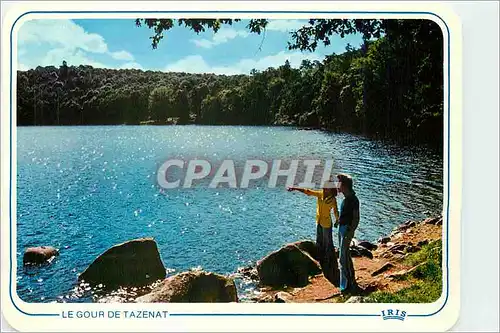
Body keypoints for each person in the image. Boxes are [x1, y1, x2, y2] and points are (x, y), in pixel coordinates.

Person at [287, 183, 340, 285]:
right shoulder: (320, 194)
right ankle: (321, 260)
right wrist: (295, 188)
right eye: (324, 188)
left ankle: (330, 262)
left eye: (326, 188)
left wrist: (337, 220)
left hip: (326, 224)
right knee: (319, 242)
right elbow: (308, 192)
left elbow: (335, 211)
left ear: (330, 190)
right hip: (319, 222)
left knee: (328, 243)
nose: (324, 189)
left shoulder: (332, 200)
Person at [336, 173, 360, 294]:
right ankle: (348, 283)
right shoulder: (346, 198)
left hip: (346, 231)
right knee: (345, 257)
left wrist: (350, 232)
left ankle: (346, 286)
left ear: (344, 185)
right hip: (342, 229)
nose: (337, 186)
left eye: (339, 183)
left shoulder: (353, 200)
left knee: (343, 258)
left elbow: (356, 218)